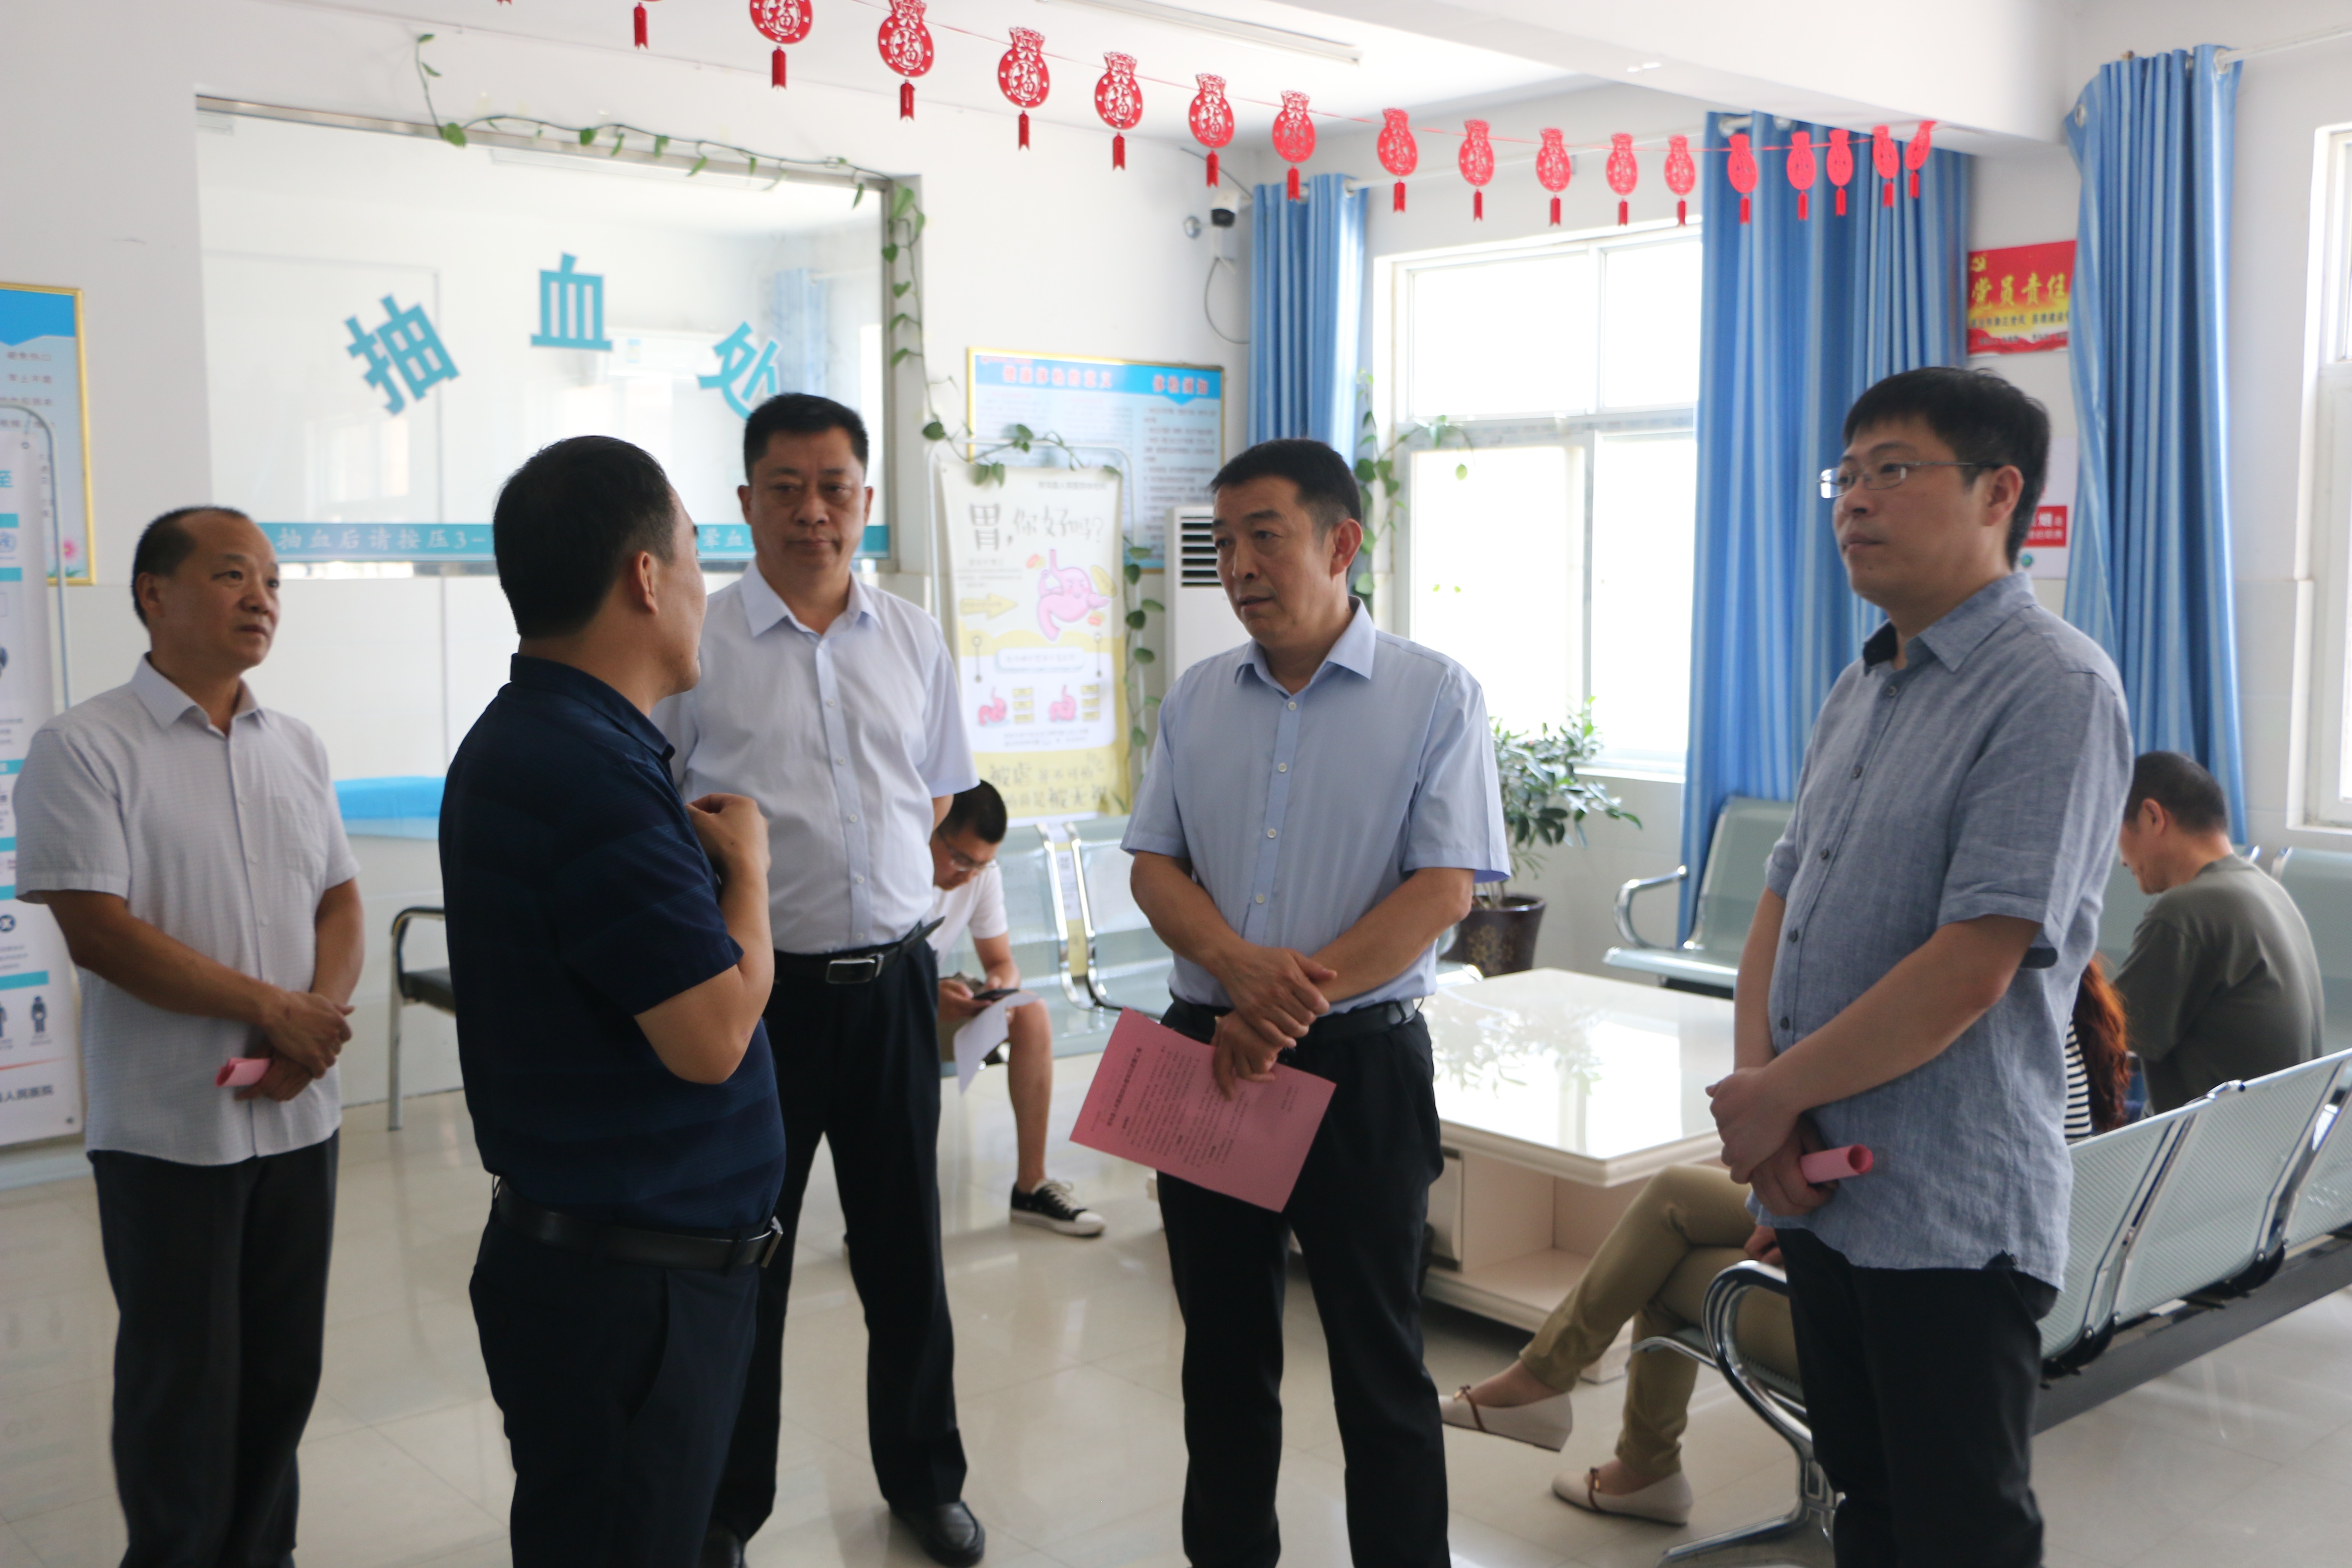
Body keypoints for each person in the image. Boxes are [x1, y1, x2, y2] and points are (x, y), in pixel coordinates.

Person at [1704, 366, 2131, 1567]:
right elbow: (1782, 896)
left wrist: (1773, 1099)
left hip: (1948, 1208)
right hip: (1824, 1193)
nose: (1853, 501)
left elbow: (1973, 966)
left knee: (1958, 1534)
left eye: (1891, 470)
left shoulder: (2052, 686)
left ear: (2000, 494)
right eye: (1844, 476)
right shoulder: (1863, 683)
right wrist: (1765, 1107)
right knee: (1866, 1508)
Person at [1126, 437, 1511, 1568]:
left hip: (1362, 1068)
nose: (1239, 565)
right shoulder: (1198, 698)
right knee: (1221, 1357)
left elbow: (1443, 889)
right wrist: (1238, 974)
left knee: (1380, 1364)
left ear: (1342, 543)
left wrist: (1276, 1008)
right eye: (1224, 542)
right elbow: (1154, 865)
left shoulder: (1435, 694)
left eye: (1265, 536)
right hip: (1209, 1054)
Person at [1441, 962, 2135, 1526]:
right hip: (2039, 1297)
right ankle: (1564, 1401)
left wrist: (1803, 1224)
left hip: (1919, 1310)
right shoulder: (2047, 1012)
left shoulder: (1967, 1028)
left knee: (1663, 1265)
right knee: (1674, 1196)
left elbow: (1924, 1199)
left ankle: (1626, 1454)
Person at [442, 436, 786, 1567]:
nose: (702, 587)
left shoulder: (535, 738)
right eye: (694, 555)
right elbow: (712, 1037)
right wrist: (752, 877)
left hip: (604, 1272)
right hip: (629, 1297)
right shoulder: (592, 774)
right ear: (645, 576)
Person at [661, 394, 985, 1568]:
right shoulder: (697, 646)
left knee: (907, 1255)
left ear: (865, 499)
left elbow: (936, 793)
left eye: (835, 487)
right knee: (747, 1257)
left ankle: (924, 1481)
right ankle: (725, 1506)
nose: (814, 511)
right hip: (761, 1001)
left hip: (894, 987)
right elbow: (662, 811)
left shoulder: (913, 636)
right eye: (787, 488)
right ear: (745, 503)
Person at [16, 505, 362, 1568]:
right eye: (231, 575)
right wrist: (274, 1009)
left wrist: (315, 1021)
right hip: (170, 1132)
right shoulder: (83, 746)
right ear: (152, 594)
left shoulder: (296, 745)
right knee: (183, 1388)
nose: (261, 598)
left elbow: (341, 901)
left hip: (298, 1117)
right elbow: (100, 932)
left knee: (281, 1375)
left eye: (272, 581)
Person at [928, 780, 1107, 1236]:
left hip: (937, 996)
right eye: (961, 859)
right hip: (886, 1003)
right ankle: (882, 1212)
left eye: (982, 864)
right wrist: (925, 995)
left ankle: (1031, 1185)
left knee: (1031, 1012)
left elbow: (1002, 963)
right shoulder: (897, 870)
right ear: (932, 826)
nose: (969, 875)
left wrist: (997, 992)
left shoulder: (980, 876)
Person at [2113, 750, 2324, 1111]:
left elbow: (2101, 1038)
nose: (2121, 859)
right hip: (2279, 1133)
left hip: (2208, 1142)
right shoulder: (2266, 890)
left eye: (2114, 831)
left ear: (2152, 817)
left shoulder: (2186, 911)